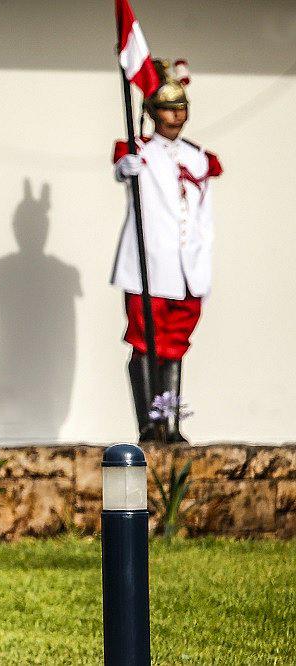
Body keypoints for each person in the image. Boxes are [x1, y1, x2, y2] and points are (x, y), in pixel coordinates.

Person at [111, 58, 223, 443]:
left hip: (188, 269)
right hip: (150, 265)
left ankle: (170, 423)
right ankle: (148, 424)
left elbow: (205, 217)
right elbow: (124, 169)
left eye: (180, 107)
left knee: (175, 346)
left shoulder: (198, 157)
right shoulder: (139, 152)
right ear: (151, 111)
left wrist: (206, 266)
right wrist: (127, 166)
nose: (174, 115)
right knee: (145, 342)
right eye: (166, 107)